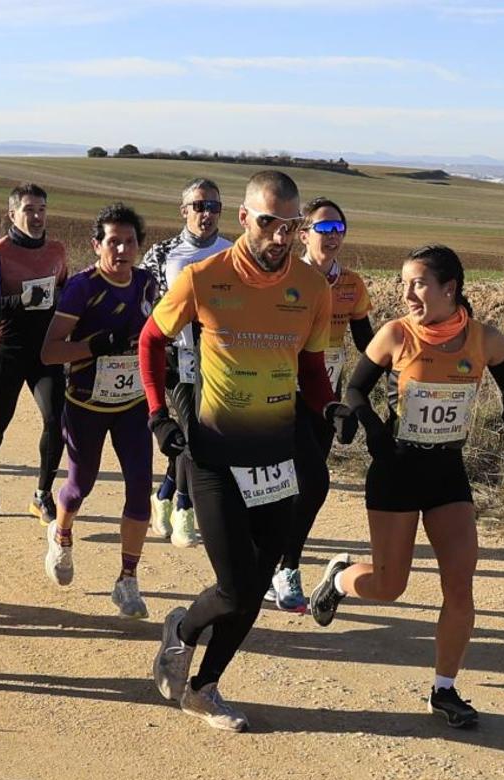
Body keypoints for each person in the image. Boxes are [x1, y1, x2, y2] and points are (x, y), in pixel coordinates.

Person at [142, 171, 352, 731]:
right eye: (268, 224)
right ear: (243, 218)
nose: (280, 237)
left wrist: (328, 405)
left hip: (277, 457)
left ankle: (206, 687)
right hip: (214, 455)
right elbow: (150, 340)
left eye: (291, 226)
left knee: (256, 584)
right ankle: (181, 631)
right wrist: (158, 414)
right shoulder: (203, 278)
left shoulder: (312, 288)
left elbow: (310, 367)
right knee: (235, 585)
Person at [309, 244, 504, 729]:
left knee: (460, 584)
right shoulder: (395, 335)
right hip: (396, 469)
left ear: (449, 288)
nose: (406, 294)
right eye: (403, 283)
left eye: (418, 284)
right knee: (389, 586)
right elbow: (355, 390)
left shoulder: (484, 338)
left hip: (447, 473)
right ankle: (341, 577)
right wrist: (368, 426)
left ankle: (444, 690)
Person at [40, 203, 157, 618]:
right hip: (86, 403)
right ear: (97, 245)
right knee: (80, 484)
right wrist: (93, 346)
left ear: (139, 246)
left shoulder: (147, 284)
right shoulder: (82, 287)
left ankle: (127, 579)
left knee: (140, 485)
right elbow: (50, 352)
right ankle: (62, 533)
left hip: (132, 405)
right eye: (113, 242)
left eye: (129, 242)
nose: (122, 249)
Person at [264, 197, 375, 612]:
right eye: (322, 229)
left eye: (338, 229)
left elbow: (368, 346)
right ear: (303, 234)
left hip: (325, 398)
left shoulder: (352, 284)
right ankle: (285, 566)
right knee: (310, 482)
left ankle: (272, 564)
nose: (332, 237)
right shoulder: (283, 277)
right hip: (278, 393)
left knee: (302, 486)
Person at [139, 178, 231, 548]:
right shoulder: (161, 255)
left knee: (203, 434)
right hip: (178, 359)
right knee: (194, 434)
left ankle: (162, 494)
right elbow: (146, 311)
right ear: (184, 211)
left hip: (222, 361)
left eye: (213, 207)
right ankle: (184, 509)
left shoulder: (234, 253)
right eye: (198, 206)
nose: (206, 214)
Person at [0, 183, 68, 523]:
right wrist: (19, 302)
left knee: (56, 422)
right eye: (29, 209)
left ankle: (42, 495)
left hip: (46, 350)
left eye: (42, 209)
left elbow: (64, 289)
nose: (37, 216)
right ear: (12, 214)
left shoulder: (57, 250)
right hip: (8, 349)